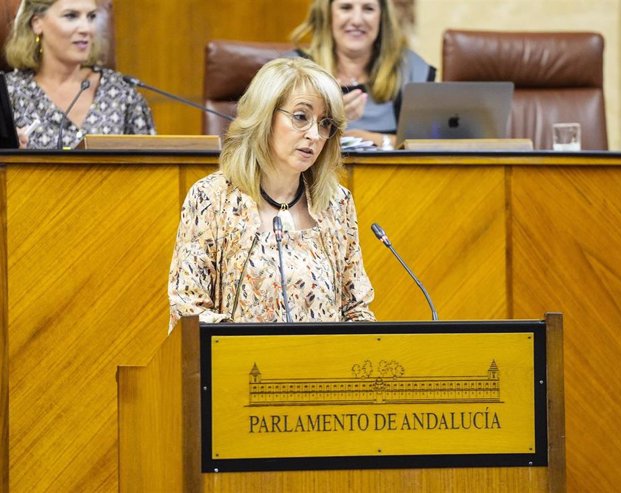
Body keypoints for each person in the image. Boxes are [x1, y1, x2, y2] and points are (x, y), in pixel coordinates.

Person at [168, 57, 375, 331]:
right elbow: (188, 310)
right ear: (265, 115)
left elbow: (356, 310)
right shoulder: (211, 197)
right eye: (301, 117)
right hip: (241, 369)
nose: (314, 134)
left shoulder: (336, 203)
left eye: (324, 123)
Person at [3, 0, 155, 149]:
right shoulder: (9, 94)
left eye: (91, 17)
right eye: (71, 16)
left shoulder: (121, 93)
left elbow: (156, 169)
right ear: (37, 23)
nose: (86, 28)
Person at [290, 0, 435, 149]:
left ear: (382, 16)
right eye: (346, 8)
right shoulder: (295, 69)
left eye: (368, 9)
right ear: (327, 14)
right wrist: (328, 120)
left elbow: (430, 143)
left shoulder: (409, 68)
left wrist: (374, 139)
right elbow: (277, 139)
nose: (357, 20)